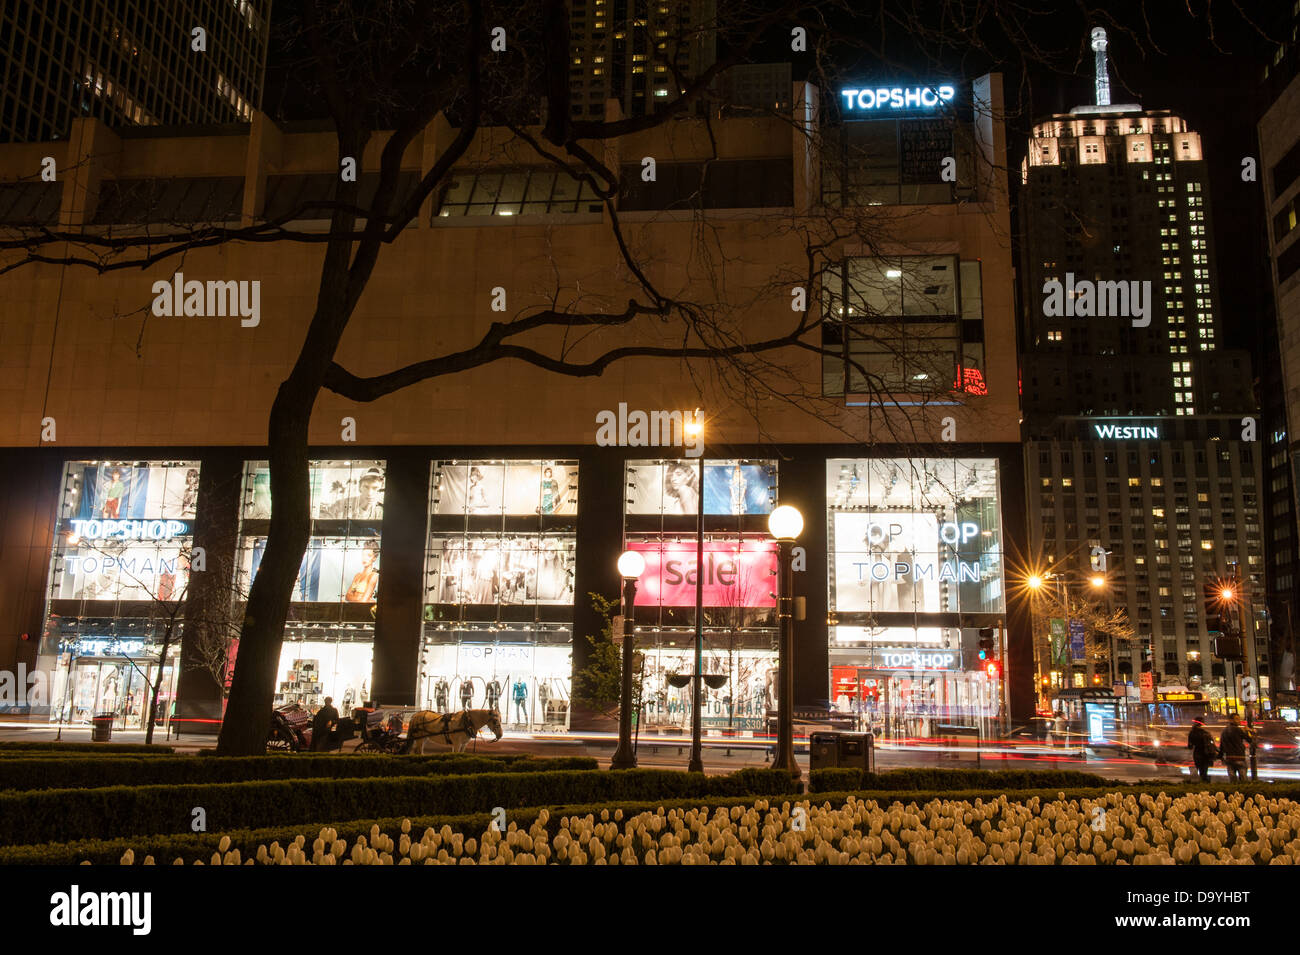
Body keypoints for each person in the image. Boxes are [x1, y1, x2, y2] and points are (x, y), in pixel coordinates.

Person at [1219, 716, 1249, 782]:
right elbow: (1249, 739)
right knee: (1243, 779)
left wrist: (1220, 756)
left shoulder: (1224, 731)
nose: (1239, 721)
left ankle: (1233, 790)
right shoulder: (1238, 730)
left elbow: (1222, 745)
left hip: (1229, 758)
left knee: (1232, 779)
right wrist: (1247, 731)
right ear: (1231, 720)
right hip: (1239, 757)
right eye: (1237, 719)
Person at [1187, 717, 1218, 782]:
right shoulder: (1206, 733)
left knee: (1201, 772)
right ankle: (1207, 786)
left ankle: (1203, 785)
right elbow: (1211, 744)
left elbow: (1190, 746)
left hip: (1197, 755)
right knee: (1207, 773)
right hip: (1207, 755)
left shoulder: (1192, 733)